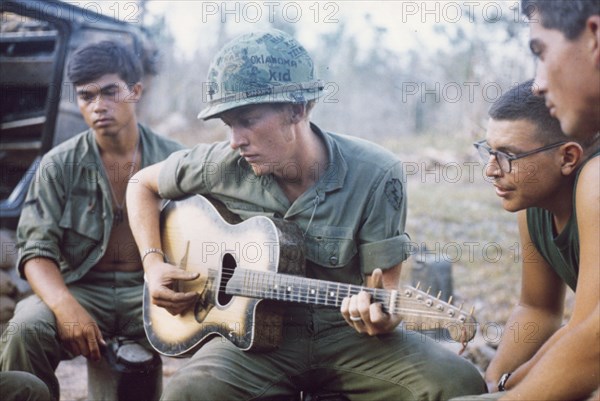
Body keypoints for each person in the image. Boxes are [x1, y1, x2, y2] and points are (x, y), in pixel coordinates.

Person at [126, 29, 485, 401]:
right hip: (250, 342)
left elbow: (385, 293)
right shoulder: (221, 163)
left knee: (458, 383)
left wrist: (382, 315)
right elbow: (140, 184)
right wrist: (153, 266)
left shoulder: (376, 173)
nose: (235, 140)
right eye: (228, 124)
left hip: (348, 337)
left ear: (297, 109)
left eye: (247, 120)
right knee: (186, 393)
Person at [0, 41, 183, 401]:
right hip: (82, 288)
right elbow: (36, 251)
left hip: (151, 292)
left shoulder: (176, 159)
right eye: (86, 96)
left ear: (135, 91)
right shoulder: (58, 165)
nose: (99, 106)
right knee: (25, 327)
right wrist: (65, 306)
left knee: (228, 335)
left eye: (111, 92)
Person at [452, 80, 599, 401]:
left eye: (508, 155)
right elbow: (537, 308)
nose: (491, 170)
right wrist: (492, 380)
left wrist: (512, 384)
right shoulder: (532, 200)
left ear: (568, 157)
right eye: (489, 151)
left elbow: (590, 333)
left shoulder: (596, 182)